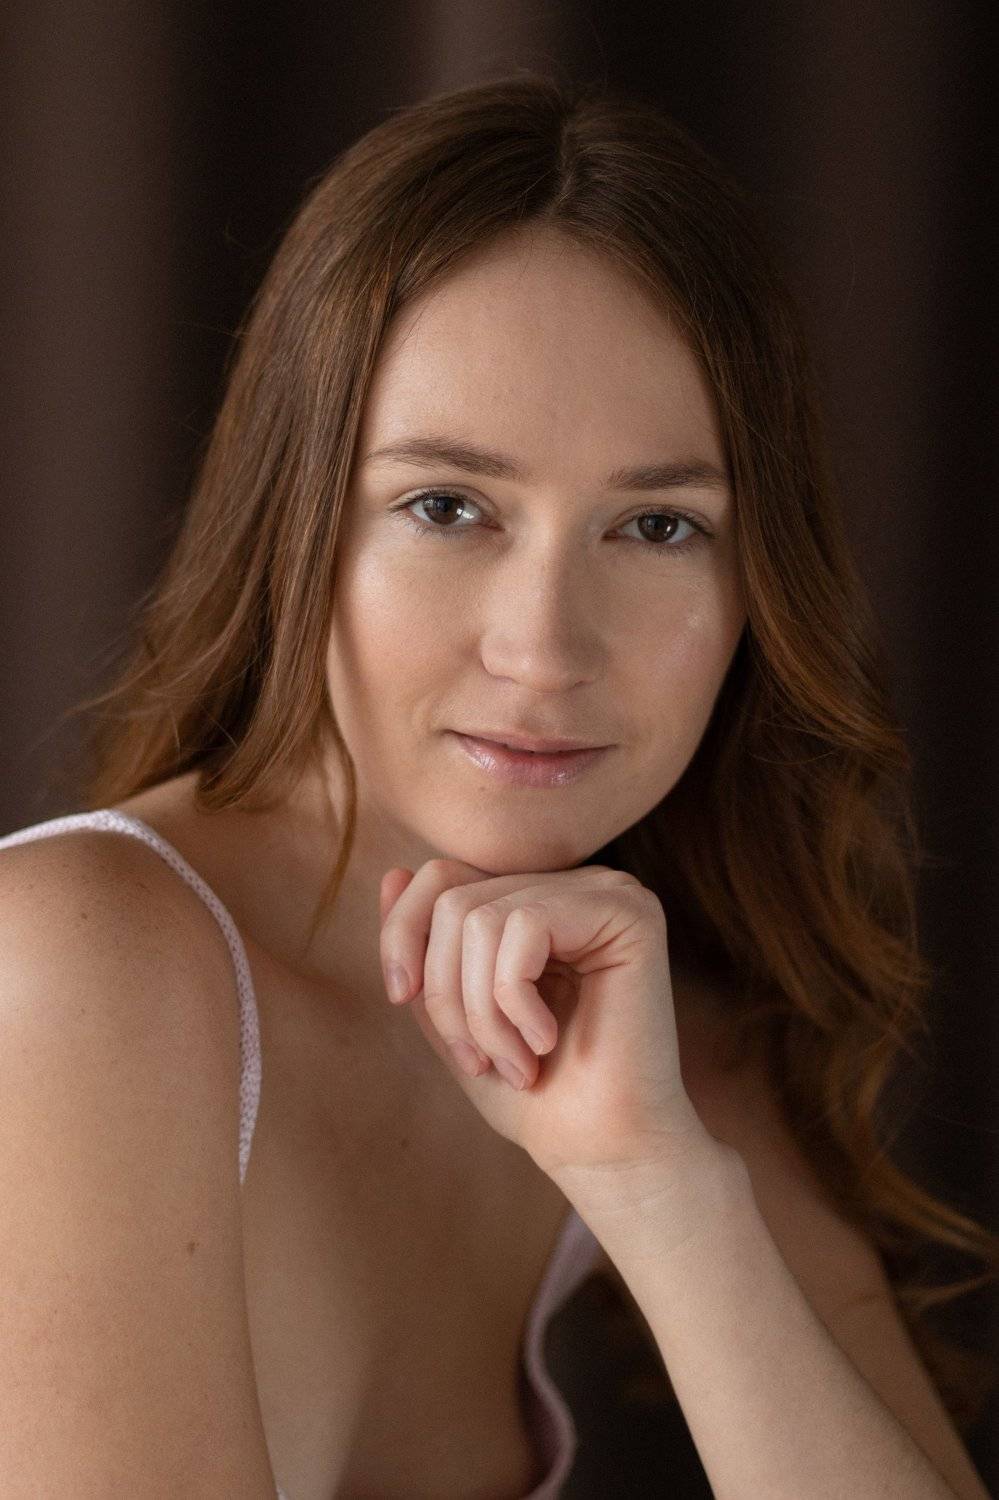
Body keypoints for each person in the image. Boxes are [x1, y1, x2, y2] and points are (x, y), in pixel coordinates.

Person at [0, 71, 994, 1500]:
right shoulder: (77, 959)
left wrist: (658, 1186)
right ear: (296, 527)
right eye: (446, 506)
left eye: (659, 526)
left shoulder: (648, 1033)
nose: (543, 649)